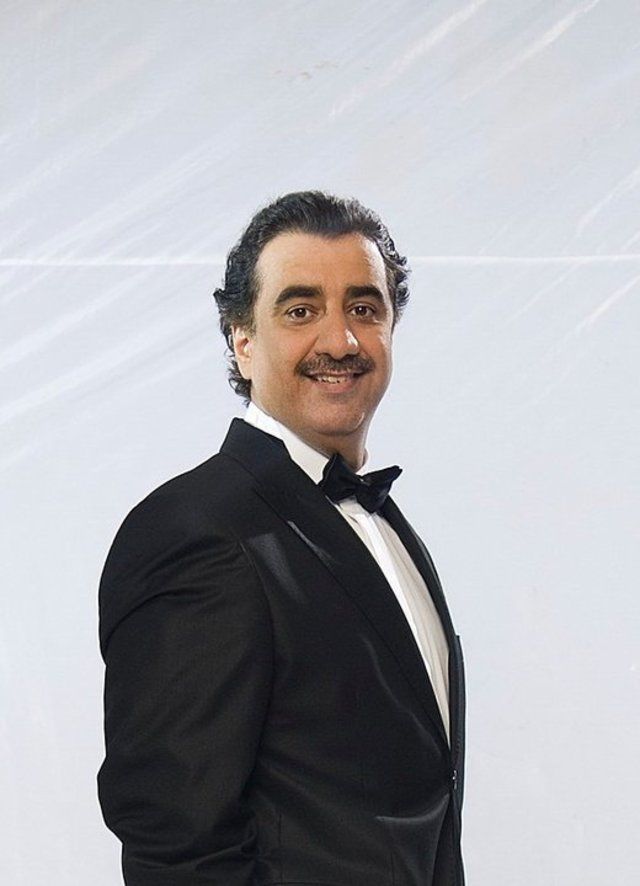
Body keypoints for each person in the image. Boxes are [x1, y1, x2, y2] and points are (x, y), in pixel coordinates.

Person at [97, 190, 466, 886]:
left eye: (364, 308)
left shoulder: (384, 523)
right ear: (242, 340)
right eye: (301, 310)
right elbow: (176, 843)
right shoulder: (194, 531)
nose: (340, 341)